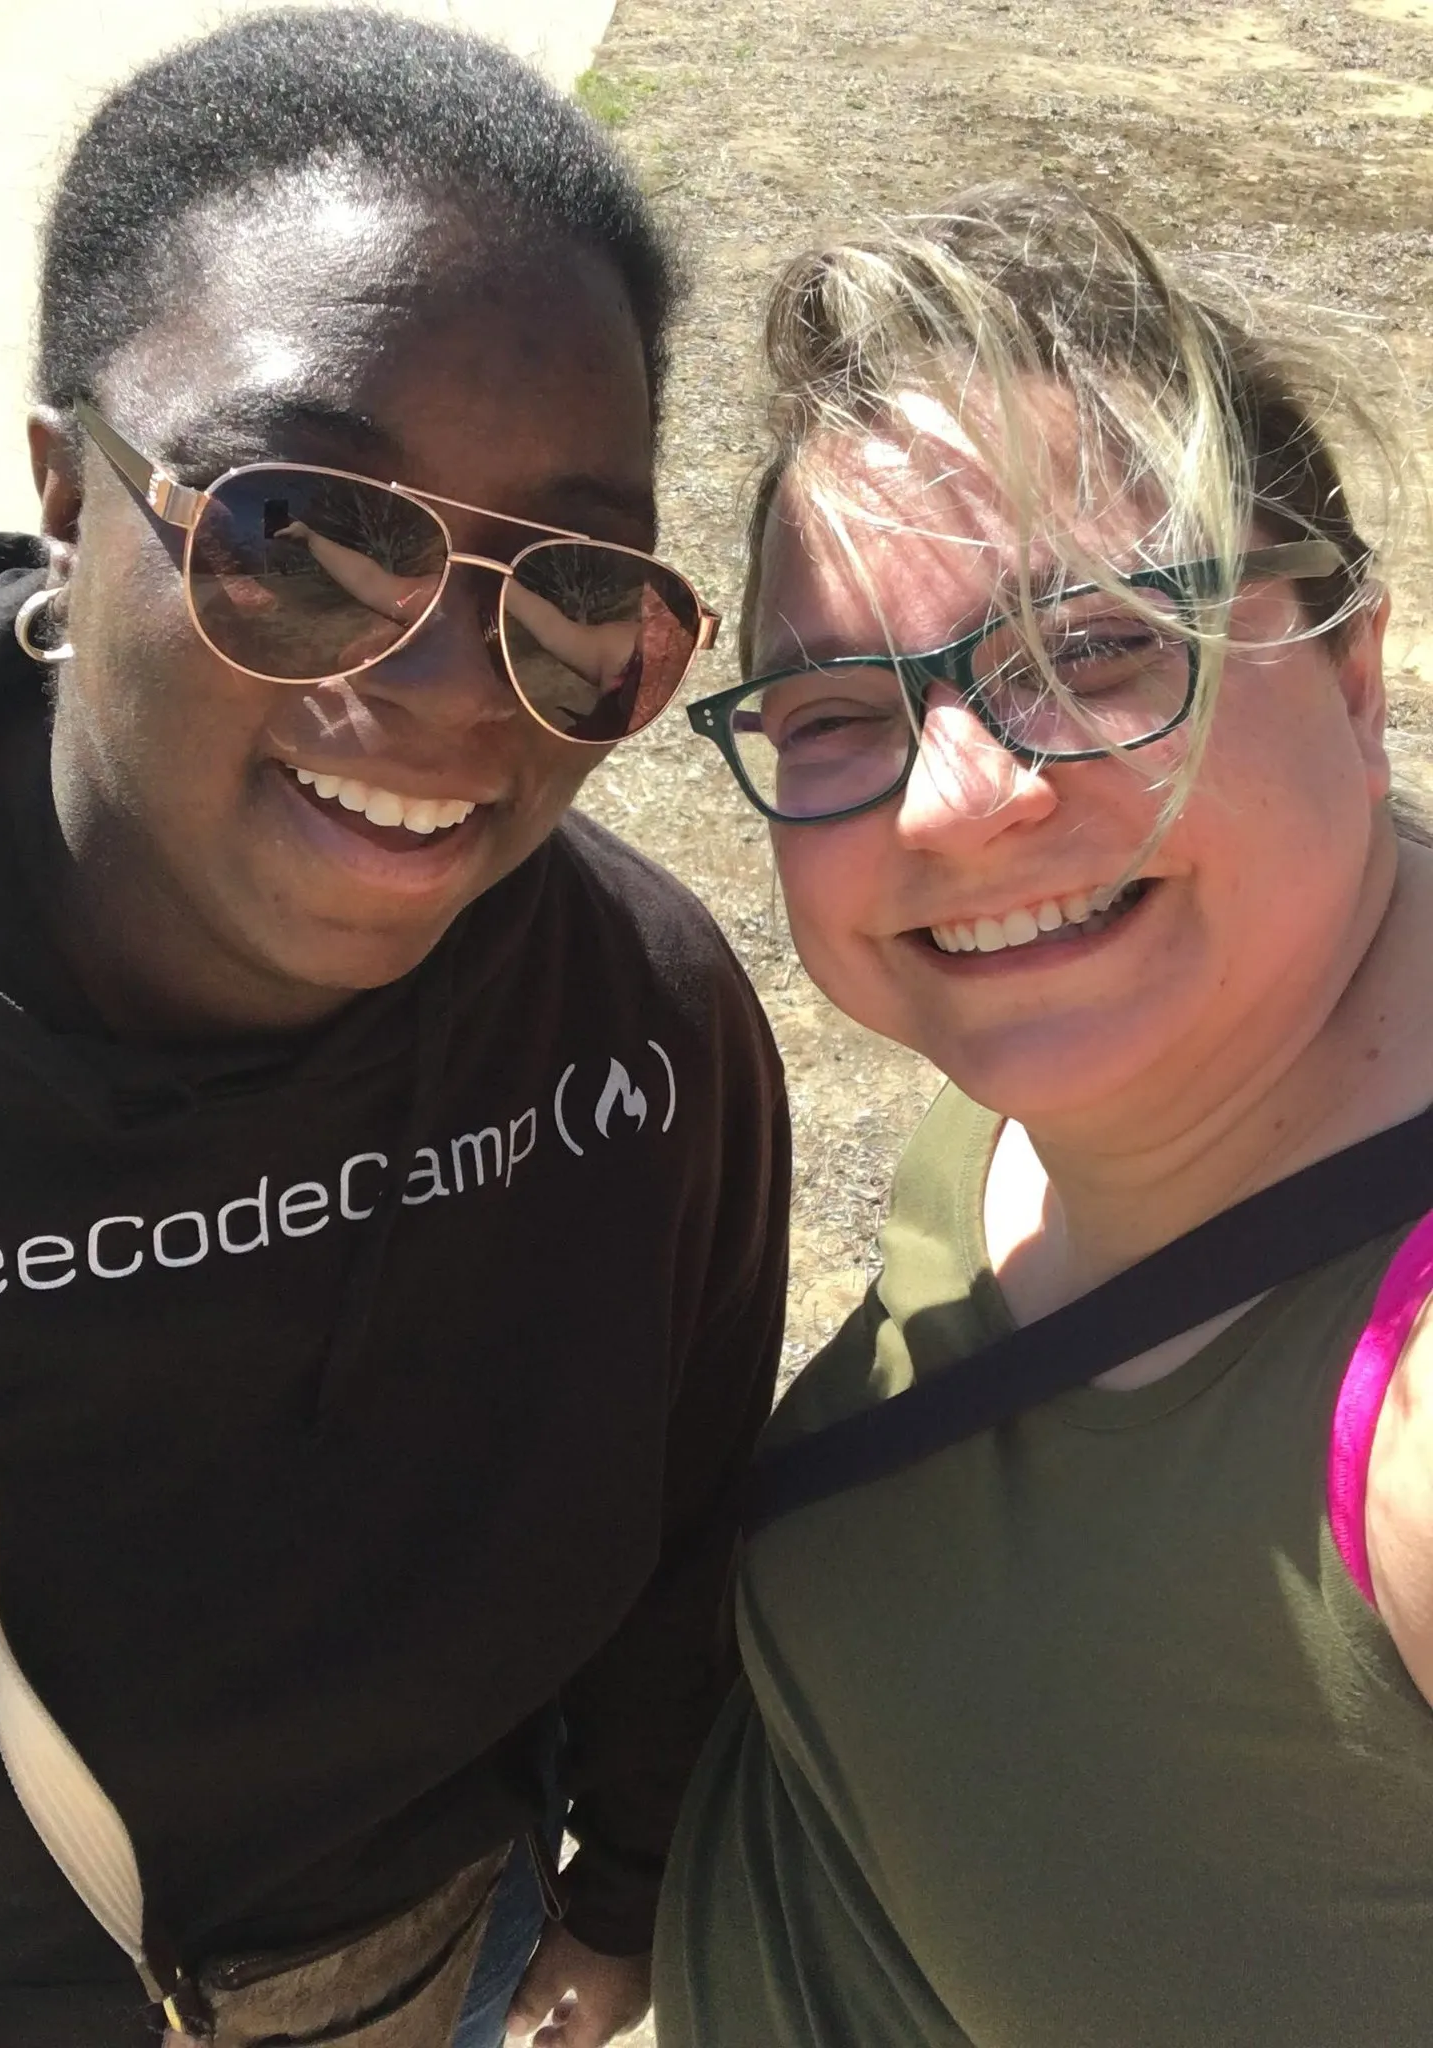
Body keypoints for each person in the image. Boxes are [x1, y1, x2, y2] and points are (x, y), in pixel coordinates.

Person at [0, 12, 791, 2047]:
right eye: (300, 533)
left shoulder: (638, 1032)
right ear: (63, 490)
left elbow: (685, 1536)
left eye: (571, 586)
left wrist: (626, 1896)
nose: (463, 687)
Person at [655, 183, 1433, 2046]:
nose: (950, 805)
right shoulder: (1082, 1053)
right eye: (840, 706)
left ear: (1349, 665)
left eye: (1091, 650)